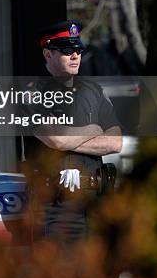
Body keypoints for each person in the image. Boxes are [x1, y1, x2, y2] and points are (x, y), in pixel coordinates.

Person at [20, 19, 122, 247]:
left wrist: (69, 139)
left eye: (78, 50)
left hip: (95, 201)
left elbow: (115, 141)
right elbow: (55, 139)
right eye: (67, 51)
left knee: (100, 277)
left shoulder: (93, 91)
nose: (76, 56)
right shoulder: (31, 94)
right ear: (48, 54)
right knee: (61, 275)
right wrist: (94, 130)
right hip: (56, 205)